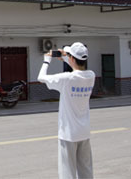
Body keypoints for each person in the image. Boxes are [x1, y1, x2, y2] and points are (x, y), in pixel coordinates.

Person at [38, 42, 95, 179]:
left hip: (69, 134)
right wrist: (66, 57)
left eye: (69, 55)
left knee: (67, 172)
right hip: (84, 132)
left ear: (72, 59)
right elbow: (78, 68)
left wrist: (47, 60)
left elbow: (41, 78)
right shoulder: (91, 76)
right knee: (86, 170)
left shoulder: (66, 78)